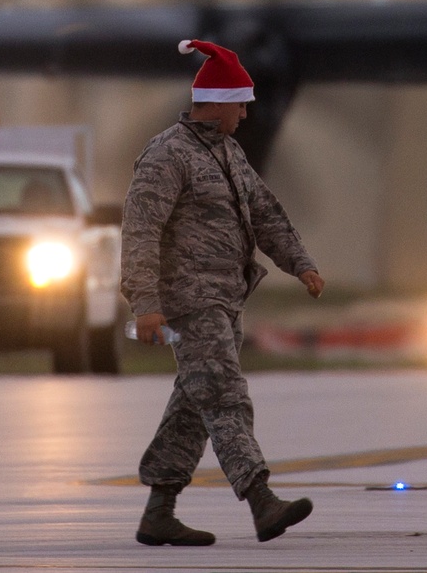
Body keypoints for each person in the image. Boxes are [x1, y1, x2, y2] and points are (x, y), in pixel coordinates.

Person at [120, 38, 325, 546]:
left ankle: (158, 513)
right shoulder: (167, 154)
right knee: (226, 397)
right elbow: (140, 231)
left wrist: (301, 264)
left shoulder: (229, 153)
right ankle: (261, 501)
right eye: (241, 104)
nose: (246, 115)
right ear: (217, 102)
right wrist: (144, 305)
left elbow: (264, 213)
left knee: (193, 407)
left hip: (227, 299)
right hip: (190, 304)